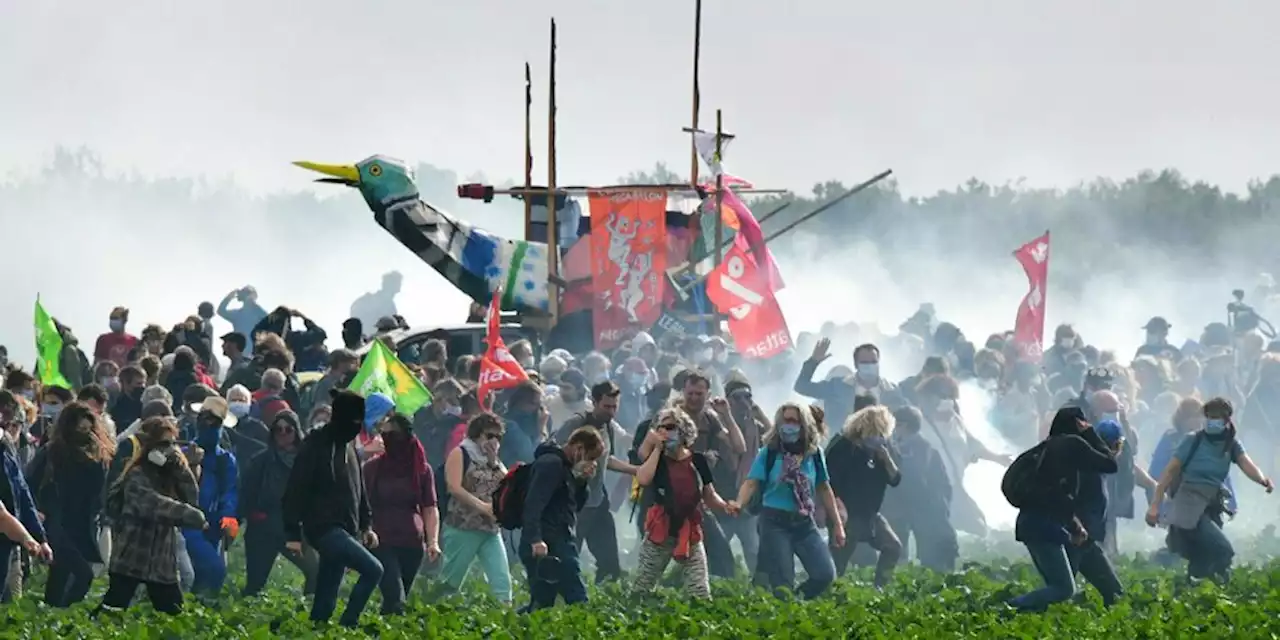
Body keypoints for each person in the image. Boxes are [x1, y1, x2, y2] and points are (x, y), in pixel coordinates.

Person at [282, 389, 384, 628]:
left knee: (327, 594)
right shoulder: (315, 445)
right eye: (353, 422)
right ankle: (349, 625)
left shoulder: (349, 447)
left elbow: (360, 491)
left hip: (345, 528)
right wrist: (292, 533)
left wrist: (366, 525)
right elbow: (295, 490)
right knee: (373, 570)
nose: (356, 427)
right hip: (323, 528)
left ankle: (319, 628)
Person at [1146, 397, 1273, 583]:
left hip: (1212, 503)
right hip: (1189, 504)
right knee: (1222, 549)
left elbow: (1247, 464)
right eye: (1210, 416)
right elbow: (1168, 473)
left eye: (1217, 417)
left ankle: (1195, 594)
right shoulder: (1192, 440)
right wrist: (1155, 505)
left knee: (1202, 555)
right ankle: (1210, 585)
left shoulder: (1231, 444)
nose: (1212, 420)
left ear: (1227, 420)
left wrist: (1262, 480)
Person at [1006, 407, 1118, 613]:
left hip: (1032, 524)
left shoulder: (1045, 449)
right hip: (1046, 526)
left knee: (1059, 587)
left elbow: (1057, 497)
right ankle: (1010, 608)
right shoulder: (1072, 444)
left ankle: (1021, 612)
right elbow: (1110, 463)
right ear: (1078, 424)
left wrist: (1075, 527)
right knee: (1063, 589)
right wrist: (1090, 433)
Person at [731, 402, 842, 600]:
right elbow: (751, 482)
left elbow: (824, 489)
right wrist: (739, 503)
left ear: (804, 425)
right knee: (783, 583)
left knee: (825, 574)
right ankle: (784, 615)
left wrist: (838, 526)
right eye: (786, 420)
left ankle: (797, 602)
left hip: (804, 522)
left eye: (794, 421)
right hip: (774, 522)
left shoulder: (814, 454)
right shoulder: (770, 452)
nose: (789, 425)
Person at [95, 416, 205, 615]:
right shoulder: (136, 474)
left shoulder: (169, 475)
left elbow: (191, 498)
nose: (169, 449)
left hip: (161, 562)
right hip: (132, 557)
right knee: (111, 610)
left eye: (172, 444)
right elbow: (155, 504)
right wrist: (191, 515)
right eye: (164, 444)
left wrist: (181, 468)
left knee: (174, 616)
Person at [632, 407, 733, 599]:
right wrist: (657, 449)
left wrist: (725, 506)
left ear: (683, 431)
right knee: (643, 586)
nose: (665, 432)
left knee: (699, 589)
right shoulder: (658, 460)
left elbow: (709, 495)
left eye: (670, 427)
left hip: (690, 530)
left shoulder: (698, 460)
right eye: (661, 428)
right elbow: (644, 478)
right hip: (661, 530)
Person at [26, 402, 115, 607]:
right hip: (54, 521)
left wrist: (98, 453)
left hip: (81, 523)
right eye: (80, 429)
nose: (84, 433)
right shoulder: (53, 452)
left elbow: (100, 488)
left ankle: (51, 614)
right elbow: (29, 482)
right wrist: (35, 511)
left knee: (60, 574)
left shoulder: (97, 456)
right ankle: (64, 612)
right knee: (83, 574)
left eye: (88, 429)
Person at [551, 381, 636, 584]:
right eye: (606, 406)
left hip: (598, 497)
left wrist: (634, 470)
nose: (611, 411)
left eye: (615, 406)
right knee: (571, 550)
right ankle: (560, 590)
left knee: (609, 559)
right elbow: (553, 451)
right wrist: (575, 468)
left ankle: (605, 590)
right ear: (594, 402)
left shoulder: (608, 427)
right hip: (574, 499)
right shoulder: (577, 423)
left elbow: (607, 460)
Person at [520, 427, 605, 611]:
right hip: (548, 540)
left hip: (560, 537)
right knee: (576, 597)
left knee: (542, 603)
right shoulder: (551, 464)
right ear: (579, 448)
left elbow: (574, 506)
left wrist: (581, 481)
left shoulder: (566, 468)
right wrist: (535, 539)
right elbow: (533, 504)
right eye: (590, 457)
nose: (591, 462)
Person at [364, 412, 440, 615]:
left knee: (397, 600)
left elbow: (429, 507)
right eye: (384, 434)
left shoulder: (421, 469)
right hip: (381, 540)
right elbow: (362, 503)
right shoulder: (373, 467)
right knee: (395, 596)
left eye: (393, 434)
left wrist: (433, 541)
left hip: (412, 543)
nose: (389, 440)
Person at [239, 409, 318, 596]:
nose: (283, 434)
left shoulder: (308, 461)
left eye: (288, 429)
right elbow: (246, 495)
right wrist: (239, 520)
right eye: (278, 430)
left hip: (294, 528)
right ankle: (245, 617)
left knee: (316, 571)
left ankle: (310, 614)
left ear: (296, 431)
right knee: (255, 584)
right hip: (263, 528)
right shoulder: (260, 461)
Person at [824, 405, 902, 587]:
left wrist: (886, 459)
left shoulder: (882, 449)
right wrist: (834, 510)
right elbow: (827, 479)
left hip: (870, 514)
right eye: (875, 432)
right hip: (845, 513)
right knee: (839, 561)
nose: (879, 437)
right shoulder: (842, 446)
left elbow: (895, 479)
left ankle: (880, 587)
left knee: (892, 546)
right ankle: (831, 594)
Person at [440, 413, 512, 602]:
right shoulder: (461, 453)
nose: (494, 441)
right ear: (477, 434)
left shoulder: (493, 460)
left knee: (502, 582)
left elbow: (505, 483)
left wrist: (493, 459)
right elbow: (454, 487)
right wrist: (483, 507)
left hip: (490, 528)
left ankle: (506, 618)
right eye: (489, 436)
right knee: (450, 582)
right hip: (463, 526)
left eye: (498, 437)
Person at [883, 406, 957, 572]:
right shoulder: (925, 448)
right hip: (916, 509)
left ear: (904, 425)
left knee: (929, 559)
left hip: (919, 509)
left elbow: (911, 479)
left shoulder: (916, 449)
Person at [182, 396, 240, 598]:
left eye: (213, 420)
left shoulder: (226, 460)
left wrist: (228, 516)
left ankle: (200, 613)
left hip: (214, 524)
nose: (207, 424)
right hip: (187, 522)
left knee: (208, 576)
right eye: (203, 418)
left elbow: (230, 491)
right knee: (213, 569)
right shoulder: (184, 453)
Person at [0, 391, 50, 600]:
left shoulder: (6, 453)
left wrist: (40, 538)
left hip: (7, 543)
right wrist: (28, 539)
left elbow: (23, 495)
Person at [217, 286, 267, 356]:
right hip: (239, 353)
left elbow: (269, 320)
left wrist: (254, 305)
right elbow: (221, 311)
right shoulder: (237, 314)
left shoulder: (258, 314)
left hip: (253, 353)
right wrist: (229, 297)